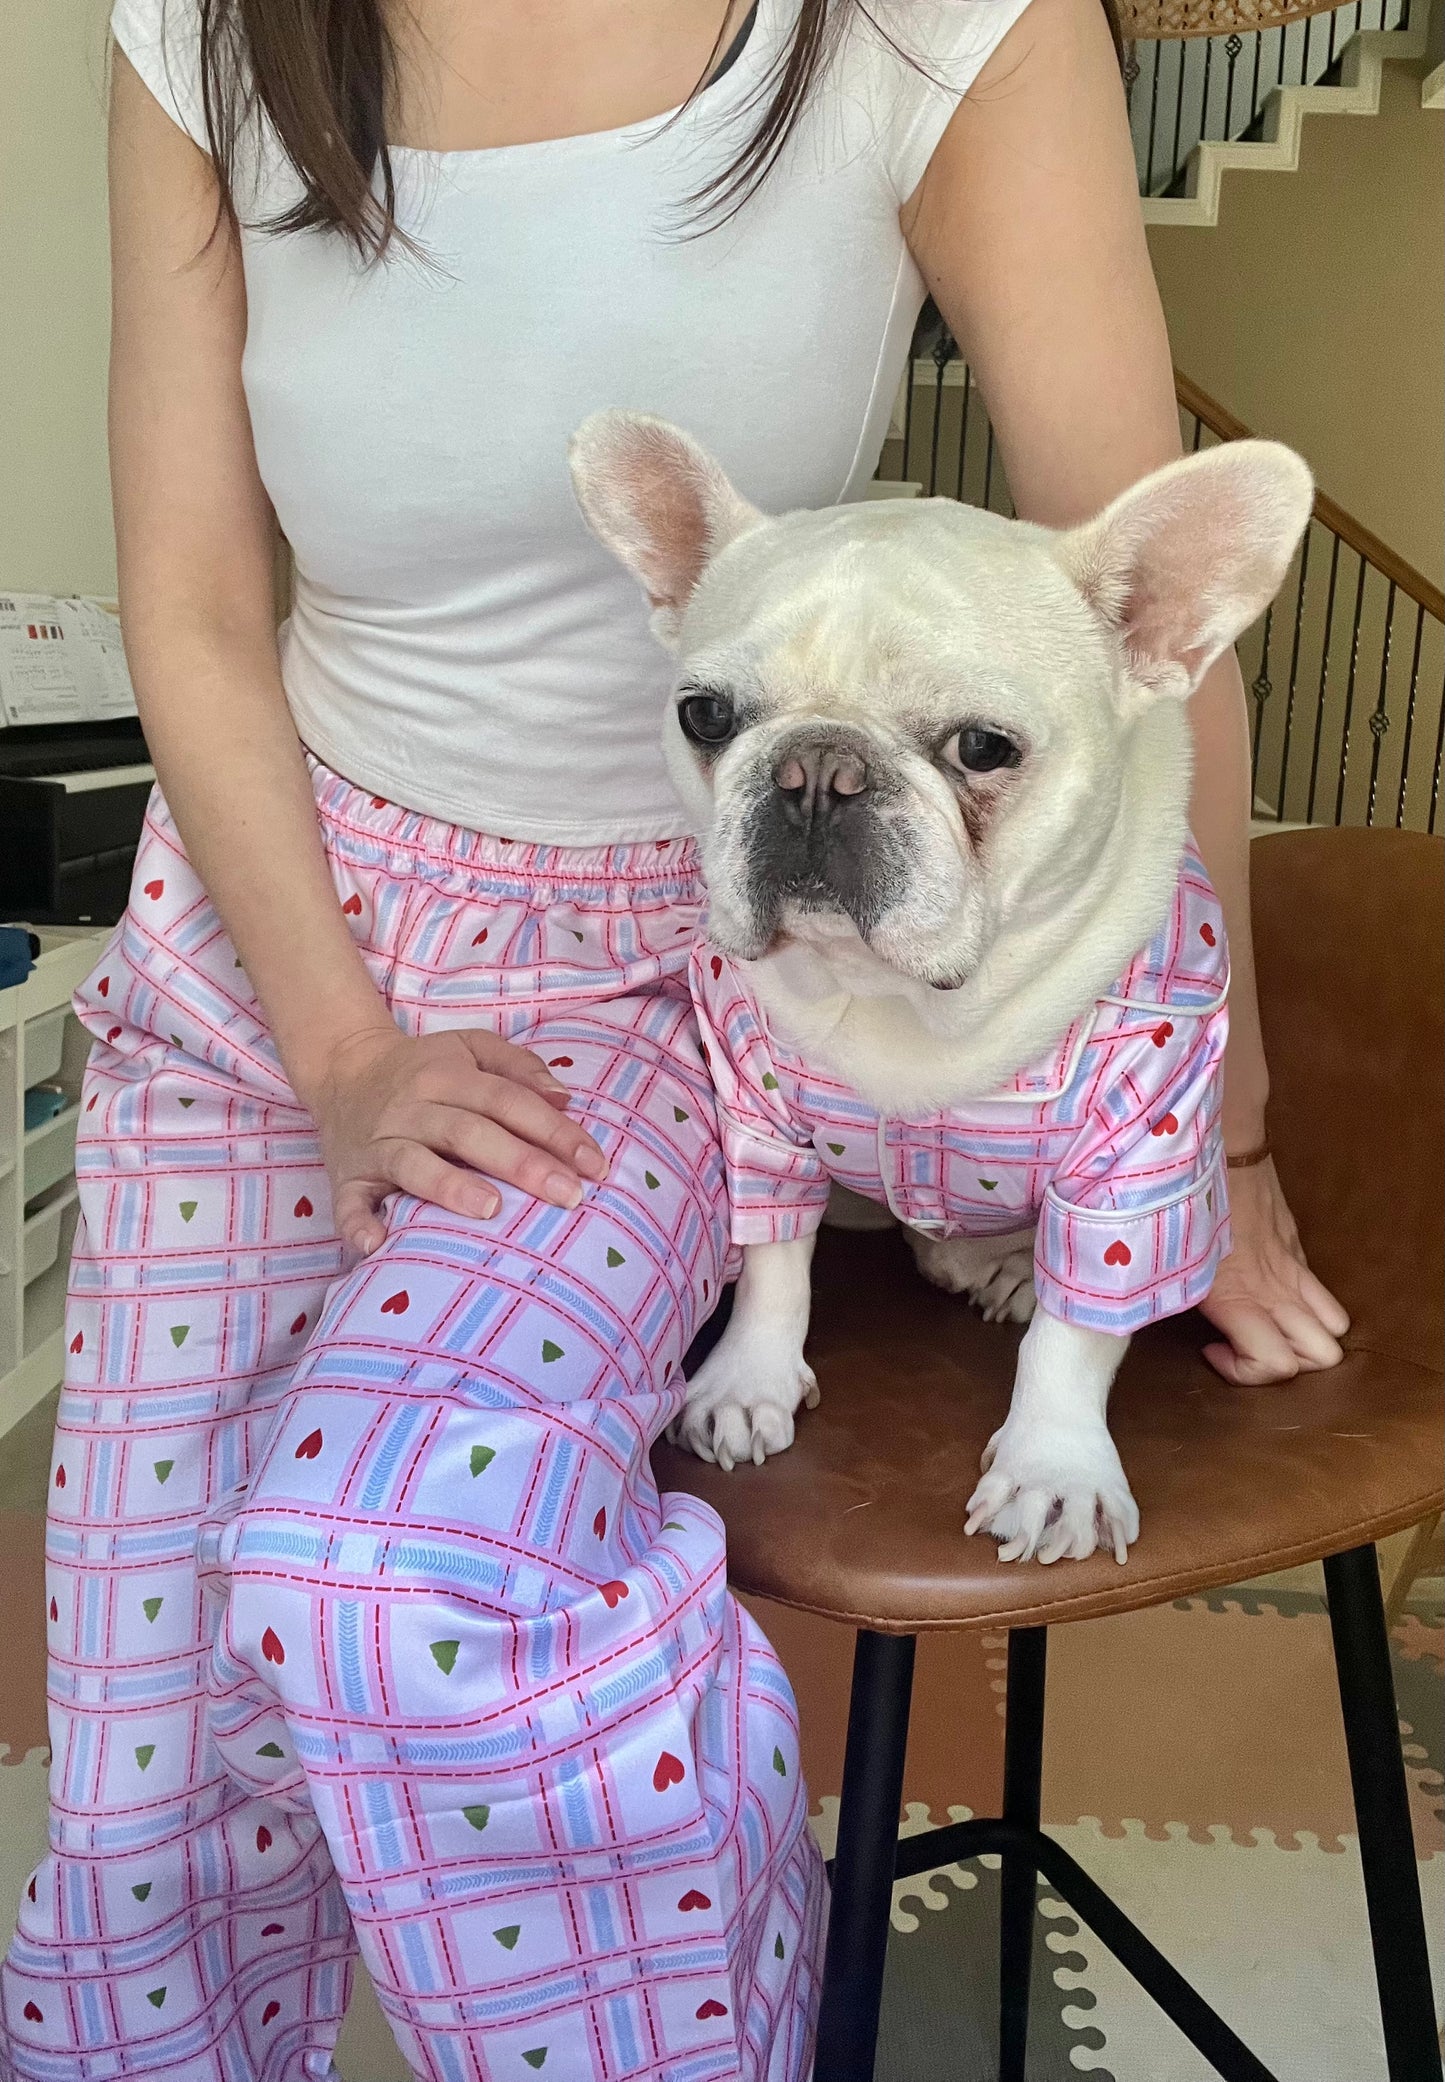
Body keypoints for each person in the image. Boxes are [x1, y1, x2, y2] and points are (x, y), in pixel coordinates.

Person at [1, 0, 1351, 2073]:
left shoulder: (940, 27)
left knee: (380, 1574)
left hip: (674, 973)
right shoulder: (197, 27)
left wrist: (1217, 1130)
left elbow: (1142, 637)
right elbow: (192, 599)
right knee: (132, 1783)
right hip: (261, 929)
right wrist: (345, 1045)